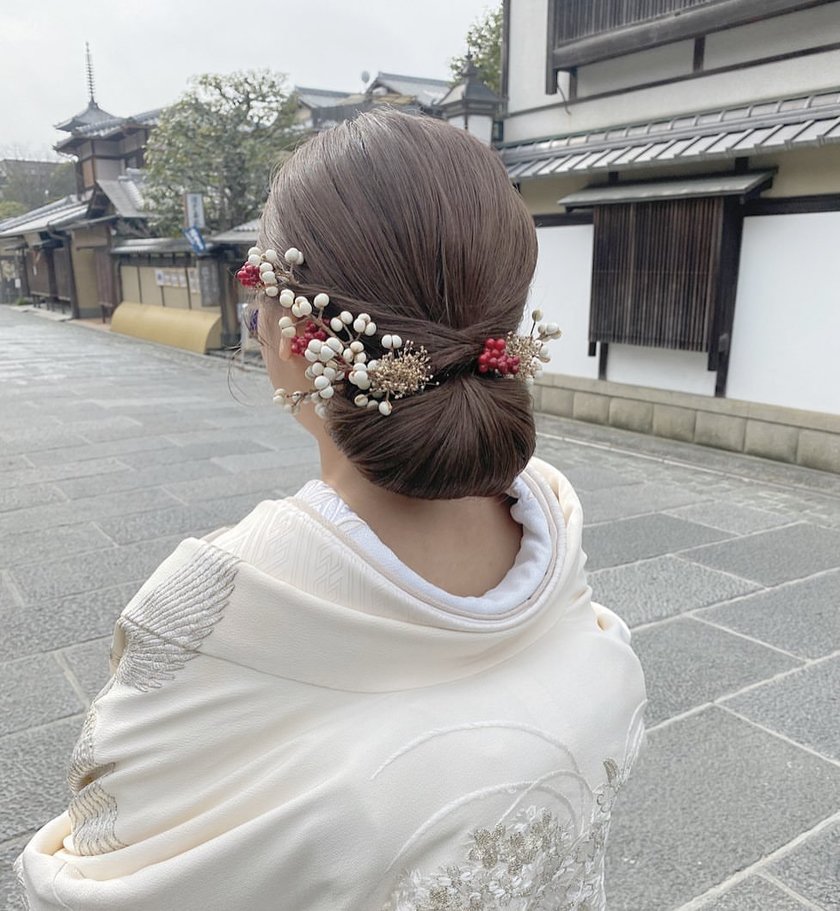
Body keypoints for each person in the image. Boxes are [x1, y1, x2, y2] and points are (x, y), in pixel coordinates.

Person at [18, 108, 646, 910]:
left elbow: (102, 868)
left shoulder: (218, 603)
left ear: (286, 333)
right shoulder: (557, 531)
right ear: (505, 328)